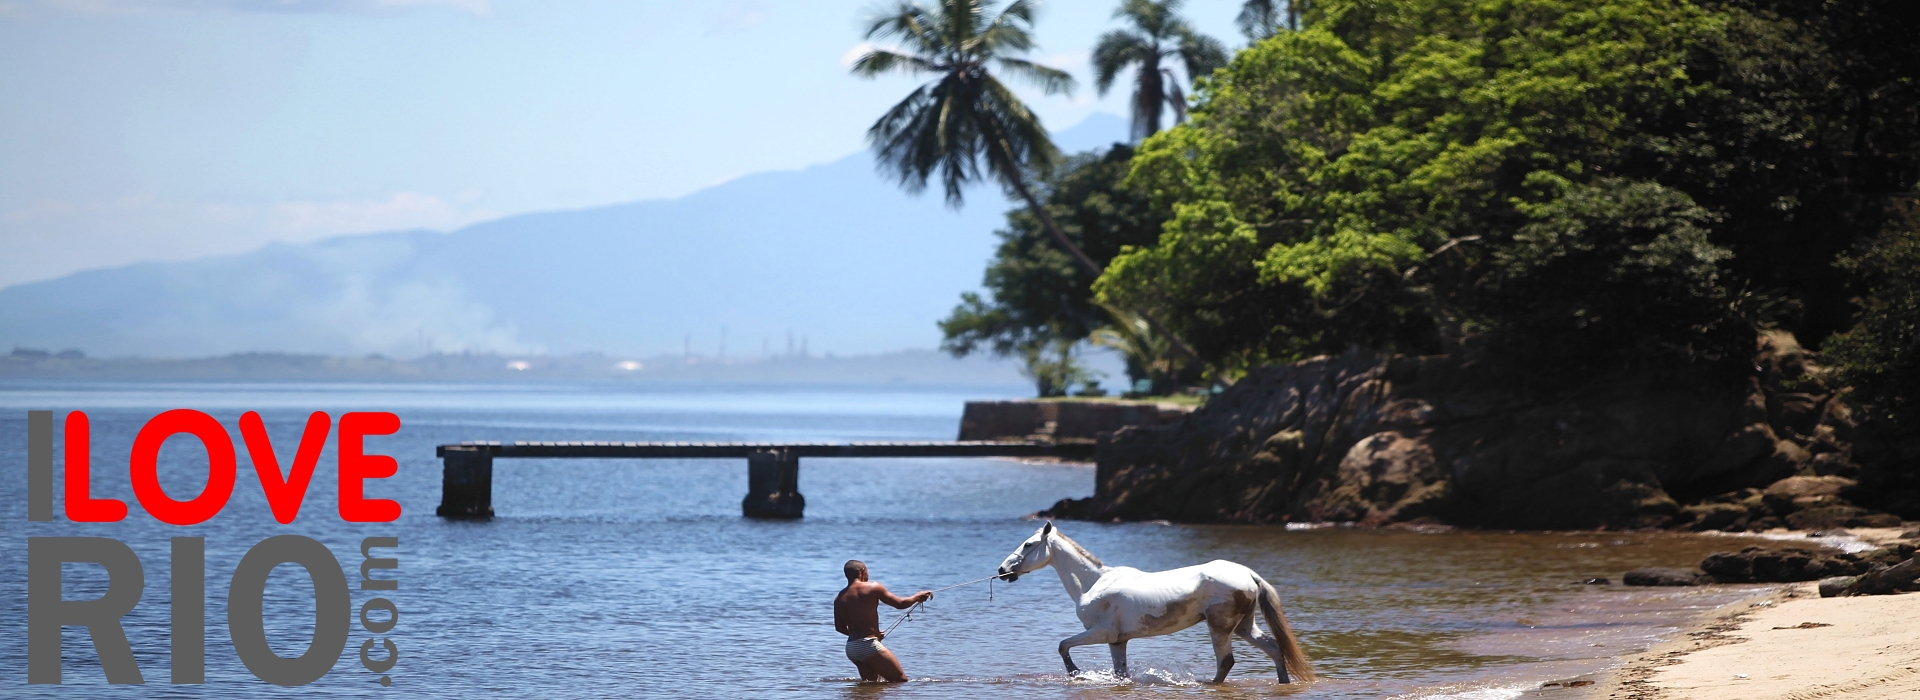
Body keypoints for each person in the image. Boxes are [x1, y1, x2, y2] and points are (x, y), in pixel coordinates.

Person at [833, 559, 932, 682]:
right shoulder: (873, 588)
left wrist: (867, 635)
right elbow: (899, 604)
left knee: (871, 686)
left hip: (851, 648)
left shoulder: (839, 597)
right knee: (900, 681)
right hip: (868, 646)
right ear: (863, 571)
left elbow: (839, 627)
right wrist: (917, 597)